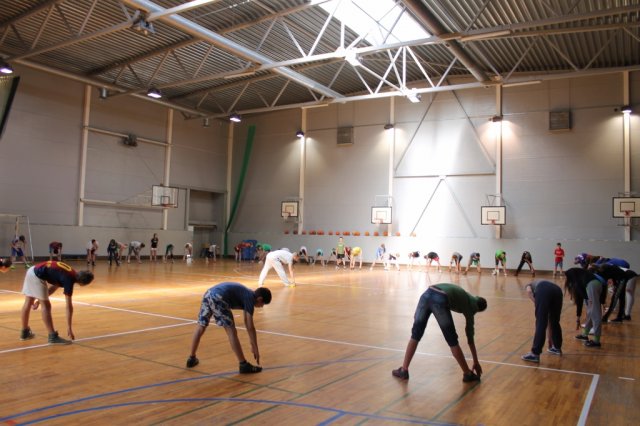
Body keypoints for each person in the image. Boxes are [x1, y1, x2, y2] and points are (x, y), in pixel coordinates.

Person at [392, 283, 487, 382]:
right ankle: (467, 373)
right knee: (452, 340)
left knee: (416, 334)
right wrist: (475, 361)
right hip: (439, 299)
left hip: (426, 294)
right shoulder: (471, 307)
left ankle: (404, 370)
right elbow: (470, 337)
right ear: (478, 310)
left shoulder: (466, 295)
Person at [186, 282, 272, 374]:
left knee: (200, 327)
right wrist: (256, 348)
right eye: (262, 304)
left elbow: (247, 322)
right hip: (220, 297)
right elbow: (250, 326)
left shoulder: (247, 294)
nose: (261, 307)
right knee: (231, 332)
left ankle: (192, 358)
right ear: (260, 299)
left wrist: (252, 343)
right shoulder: (250, 298)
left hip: (209, 293)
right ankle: (243, 364)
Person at [19, 260, 94, 344]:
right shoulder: (69, 280)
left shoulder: (71, 272)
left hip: (32, 271)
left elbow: (53, 287)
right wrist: (69, 327)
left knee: (29, 301)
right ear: (83, 284)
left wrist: (38, 302)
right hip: (37, 276)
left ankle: (24, 333)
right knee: (46, 306)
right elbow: (69, 306)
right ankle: (52, 337)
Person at [521, 280, 563, 362]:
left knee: (541, 322)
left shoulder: (529, 285)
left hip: (544, 290)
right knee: (554, 321)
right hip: (557, 290)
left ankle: (535, 354)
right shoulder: (540, 282)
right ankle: (557, 347)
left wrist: (537, 303)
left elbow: (529, 291)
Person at [565, 268, 606, 348]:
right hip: (597, 284)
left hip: (592, 286)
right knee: (590, 312)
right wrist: (578, 316)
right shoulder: (582, 276)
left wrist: (578, 316)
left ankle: (596, 342)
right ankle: (585, 334)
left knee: (595, 313)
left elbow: (579, 301)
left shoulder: (578, 282)